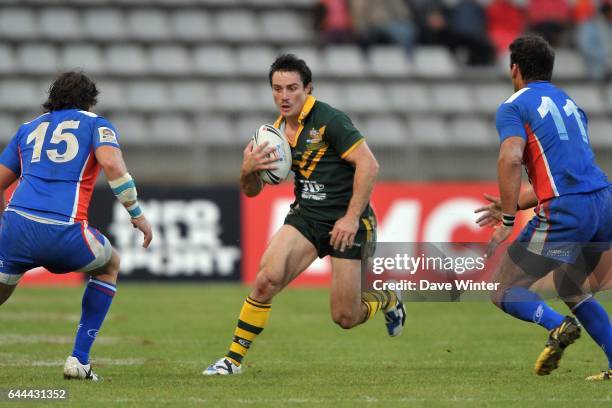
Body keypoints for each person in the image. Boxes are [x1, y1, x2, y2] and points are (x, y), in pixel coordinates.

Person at [203, 54, 405, 376]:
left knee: (345, 317)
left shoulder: (329, 120)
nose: (284, 96)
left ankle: (386, 298)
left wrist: (351, 218)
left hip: (348, 223)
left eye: (292, 88)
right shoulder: (275, 133)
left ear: (307, 89)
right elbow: (253, 191)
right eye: (278, 88)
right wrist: (247, 171)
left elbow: (369, 164)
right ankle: (232, 360)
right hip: (307, 218)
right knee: (266, 280)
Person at [0, 72, 153, 381]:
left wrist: (6, 224)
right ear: (90, 101)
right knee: (109, 264)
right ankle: (79, 360)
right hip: (64, 233)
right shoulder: (96, 124)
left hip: (15, 228)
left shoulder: (27, 129)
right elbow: (112, 165)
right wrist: (136, 213)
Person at [475, 35, 612, 380]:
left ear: (515, 69)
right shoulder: (569, 102)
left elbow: (509, 158)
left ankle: (558, 326)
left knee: (504, 289)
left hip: (569, 213)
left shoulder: (515, 105)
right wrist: (514, 202)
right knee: (570, 286)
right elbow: (566, 172)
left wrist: (508, 218)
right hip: (602, 204)